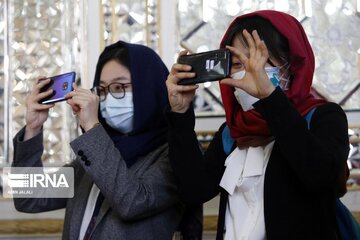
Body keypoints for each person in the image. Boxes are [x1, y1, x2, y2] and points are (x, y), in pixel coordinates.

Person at [165, 10, 350, 240]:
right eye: (235, 63)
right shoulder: (232, 133)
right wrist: (180, 114)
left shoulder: (323, 116)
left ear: (291, 65)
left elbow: (320, 176)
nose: (247, 71)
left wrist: (271, 98)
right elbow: (194, 190)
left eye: (257, 59)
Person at [13, 41, 184, 239]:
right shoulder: (91, 158)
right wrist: (33, 127)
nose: (108, 97)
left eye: (119, 87)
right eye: (102, 90)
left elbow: (132, 203)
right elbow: (29, 197)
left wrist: (93, 127)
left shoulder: (175, 154)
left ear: (149, 88)